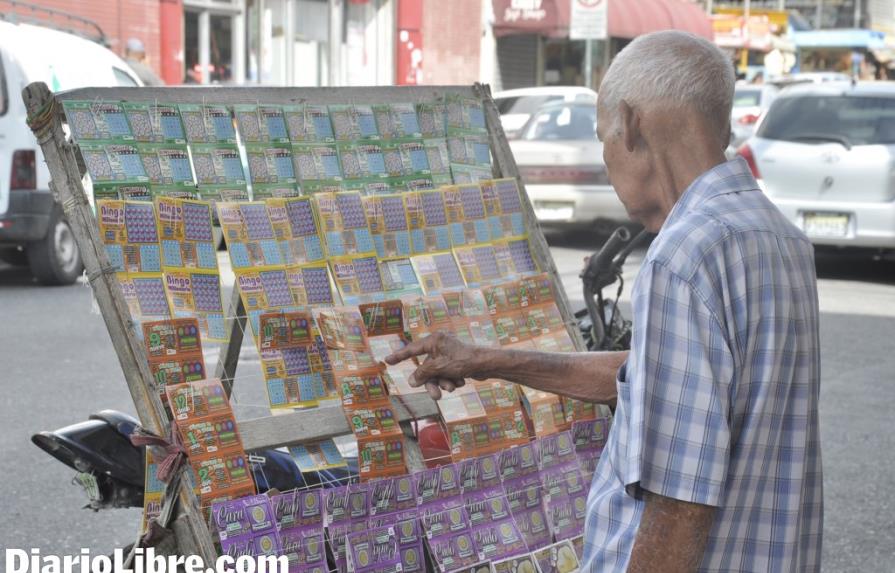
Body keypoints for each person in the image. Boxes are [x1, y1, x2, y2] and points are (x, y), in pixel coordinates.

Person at [386, 31, 822, 572]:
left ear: (632, 125)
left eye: (602, 137)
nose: (607, 157)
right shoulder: (779, 236)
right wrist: (486, 360)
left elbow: (680, 501)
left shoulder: (682, 256)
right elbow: (656, 379)